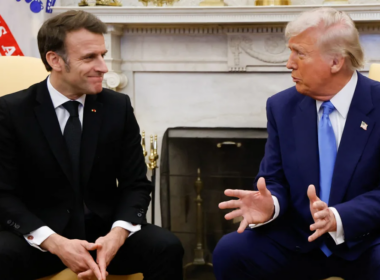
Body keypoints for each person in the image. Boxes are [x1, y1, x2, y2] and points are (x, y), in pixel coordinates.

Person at [0, 10, 183, 280]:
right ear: (55, 60)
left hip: (105, 235)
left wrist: (118, 234)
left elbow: (136, 184)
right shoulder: (12, 111)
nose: (103, 67)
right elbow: (3, 194)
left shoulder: (117, 107)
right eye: (89, 57)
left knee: (166, 247)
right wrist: (54, 242)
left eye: (102, 55)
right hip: (39, 239)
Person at [213, 7, 380, 280]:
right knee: (232, 251)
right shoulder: (282, 106)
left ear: (336, 62)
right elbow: (274, 179)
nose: (289, 63)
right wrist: (271, 206)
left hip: (365, 240)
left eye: (300, 53)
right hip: (299, 240)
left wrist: (338, 217)